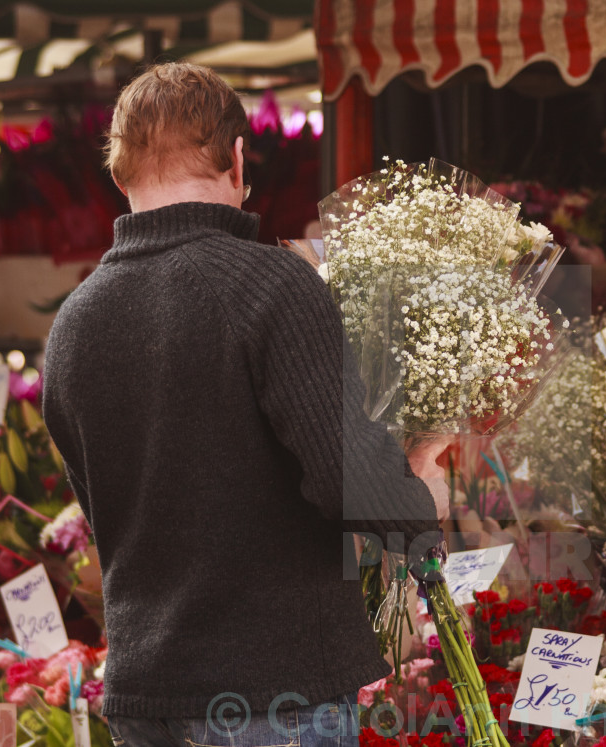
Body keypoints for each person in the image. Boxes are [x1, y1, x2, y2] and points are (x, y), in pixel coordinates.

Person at [42, 62, 447, 747]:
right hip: (270, 693)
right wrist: (421, 498)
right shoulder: (271, 284)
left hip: (143, 692)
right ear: (236, 158)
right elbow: (348, 481)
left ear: (120, 173)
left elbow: (104, 507)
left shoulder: (71, 323)